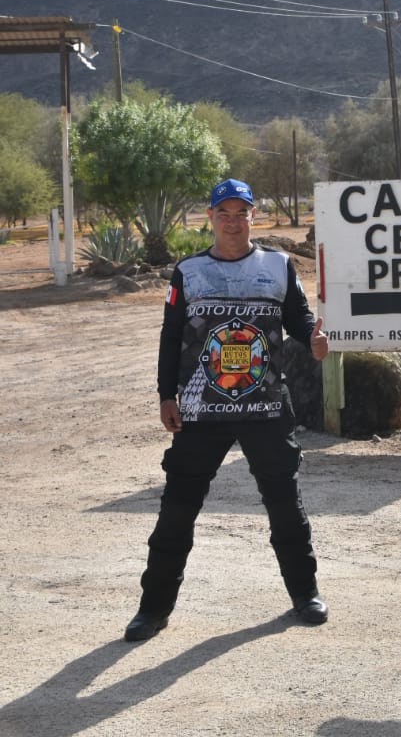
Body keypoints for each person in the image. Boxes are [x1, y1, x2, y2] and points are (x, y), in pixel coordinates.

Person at [124, 177, 330, 643]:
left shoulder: (278, 265)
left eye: (242, 213)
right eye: (224, 213)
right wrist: (166, 394)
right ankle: (152, 610)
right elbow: (170, 335)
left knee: (285, 506)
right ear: (210, 218)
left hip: (266, 405)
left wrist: (313, 341)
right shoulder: (189, 271)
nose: (233, 222)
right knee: (177, 510)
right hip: (200, 408)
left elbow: (298, 318)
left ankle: (305, 595)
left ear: (253, 217)